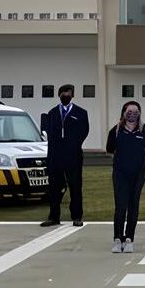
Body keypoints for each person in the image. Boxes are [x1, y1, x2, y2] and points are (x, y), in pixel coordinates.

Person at [106, 101, 145, 253]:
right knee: (121, 205)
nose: (132, 114)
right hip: (120, 173)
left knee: (133, 205)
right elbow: (110, 149)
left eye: (135, 111)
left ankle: (129, 239)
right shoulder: (116, 131)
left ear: (139, 113)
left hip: (139, 173)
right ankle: (117, 238)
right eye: (129, 111)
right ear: (124, 113)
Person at [41, 84, 89, 227]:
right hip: (56, 156)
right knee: (54, 188)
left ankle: (77, 216)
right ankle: (54, 217)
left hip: (73, 156)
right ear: (59, 95)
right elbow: (49, 132)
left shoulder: (80, 113)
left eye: (68, 93)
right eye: (63, 94)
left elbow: (84, 131)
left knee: (75, 186)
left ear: (72, 95)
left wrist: (73, 144)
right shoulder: (53, 113)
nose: (65, 96)